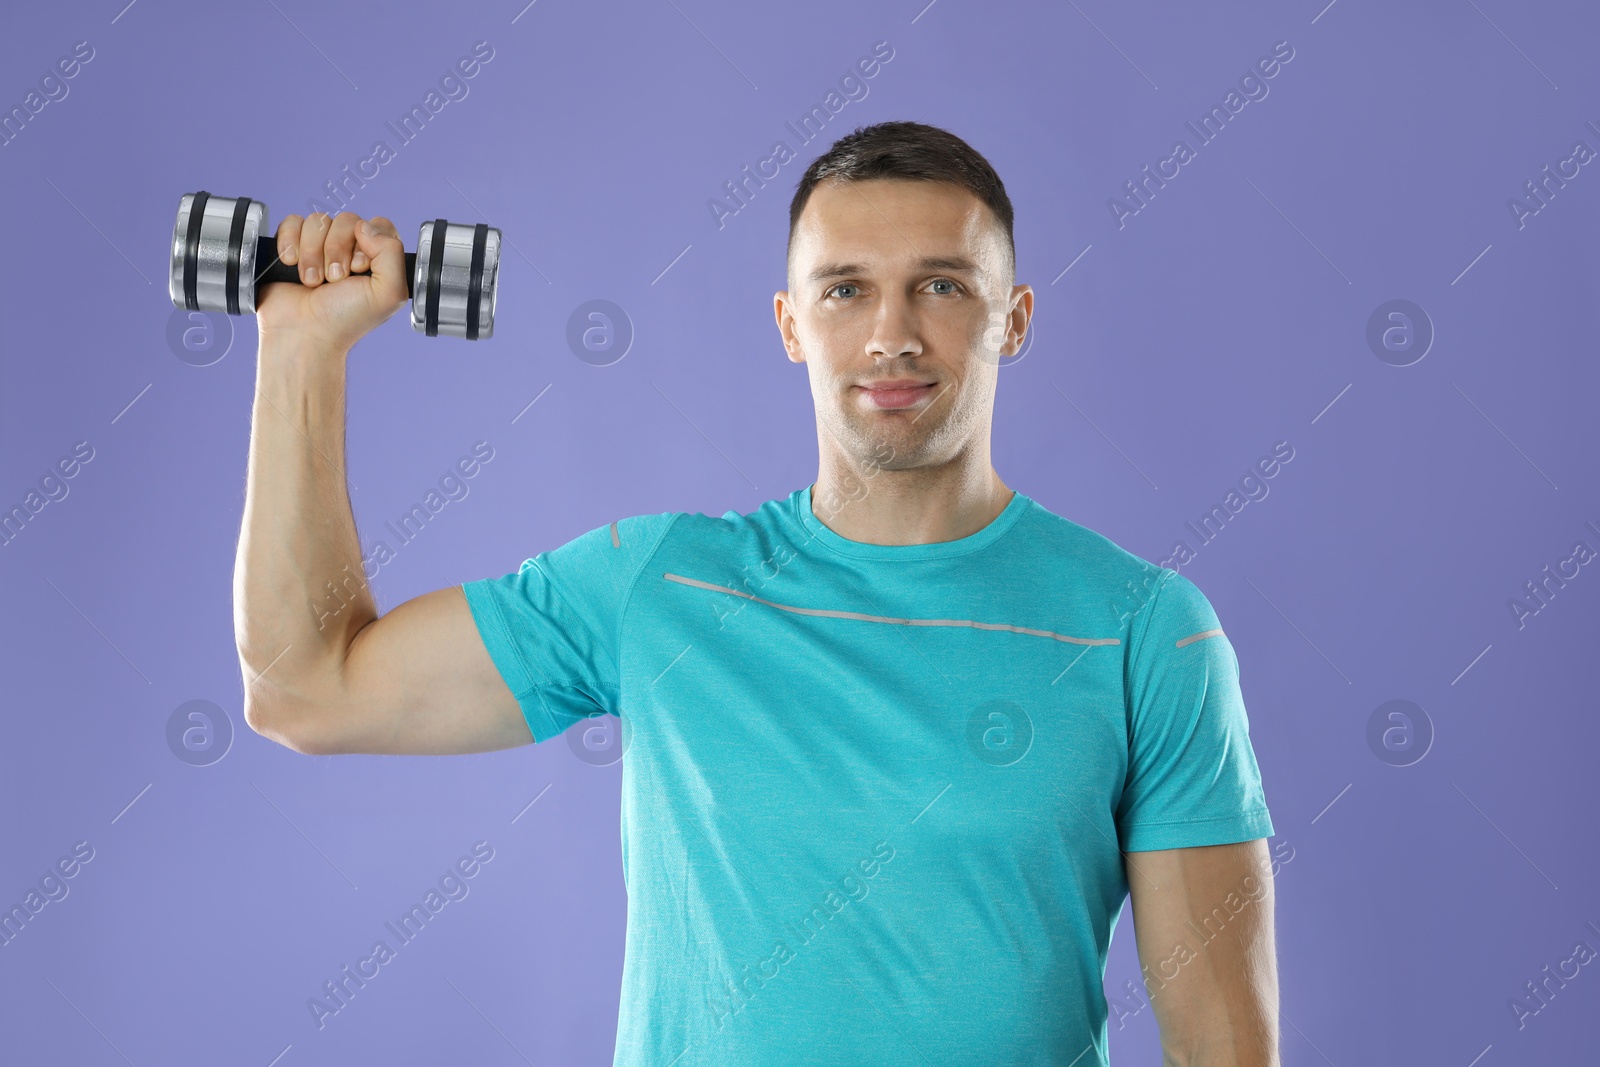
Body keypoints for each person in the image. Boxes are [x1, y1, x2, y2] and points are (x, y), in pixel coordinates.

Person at [236, 120, 1280, 1066]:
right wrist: (301, 351)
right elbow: (305, 687)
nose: (891, 333)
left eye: (943, 285)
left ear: (1012, 317)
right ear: (790, 324)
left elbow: (1222, 1052)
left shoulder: (1144, 632)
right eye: (845, 289)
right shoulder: (656, 587)